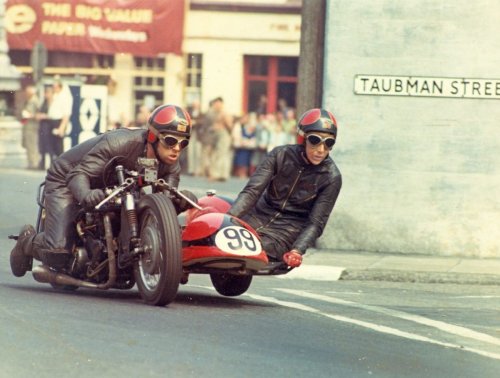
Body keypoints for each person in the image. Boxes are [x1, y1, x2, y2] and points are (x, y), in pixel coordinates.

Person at [10, 104, 195, 277]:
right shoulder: (118, 143)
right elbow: (78, 174)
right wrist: (86, 194)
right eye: (170, 140)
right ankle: (26, 241)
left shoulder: (170, 162)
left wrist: (176, 203)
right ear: (153, 137)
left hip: (116, 184)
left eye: (183, 143)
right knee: (58, 252)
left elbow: (162, 205)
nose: (177, 149)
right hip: (68, 177)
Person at [227, 108, 342, 268]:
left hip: (287, 230)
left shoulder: (331, 177)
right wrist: (228, 220)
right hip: (258, 215)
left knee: (257, 248)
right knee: (222, 238)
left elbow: (316, 222)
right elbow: (252, 191)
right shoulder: (279, 155)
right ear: (303, 139)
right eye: (315, 140)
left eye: (329, 143)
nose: (321, 150)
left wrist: (297, 250)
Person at [47, 78, 73, 156]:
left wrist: (61, 128)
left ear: (60, 87)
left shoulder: (65, 97)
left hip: (59, 122)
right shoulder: (55, 96)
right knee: (52, 146)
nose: (54, 89)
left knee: (59, 146)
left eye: (55, 87)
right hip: (52, 121)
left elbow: (66, 114)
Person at [21, 85, 41, 169]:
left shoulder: (35, 101)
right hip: (26, 125)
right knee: (27, 145)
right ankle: (30, 163)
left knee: (32, 145)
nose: (26, 94)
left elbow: (38, 114)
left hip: (32, 126)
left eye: (28, 92)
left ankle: (34, 163)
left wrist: (30, 115)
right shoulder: (27, 100)